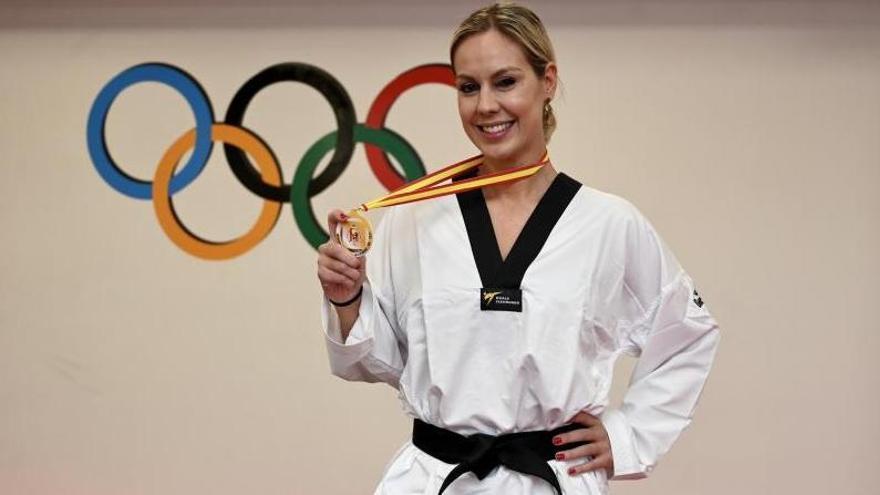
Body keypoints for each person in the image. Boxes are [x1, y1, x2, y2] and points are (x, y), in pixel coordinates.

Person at [316, 3, 720, 494]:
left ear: (546, 81)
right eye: (469, 87)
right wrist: (346, 296)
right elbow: (378, 360)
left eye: (505, 82)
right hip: (435, 479)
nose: (486, 105)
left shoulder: (609, 224)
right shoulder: (415, 218)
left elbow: (687, 332)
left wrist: (628, 433)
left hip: (551, 481)